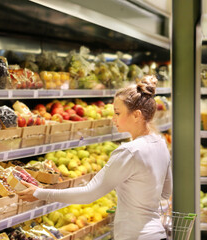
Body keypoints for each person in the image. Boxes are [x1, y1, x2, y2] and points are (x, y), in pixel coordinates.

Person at [18, 75, 173, 240]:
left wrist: (40, 193)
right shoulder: (160, 143)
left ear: (136, 115)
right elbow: (165, 193)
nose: (113, 118)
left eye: (117, 113)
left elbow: (89, 194)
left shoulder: (129, 152)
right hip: (157, 234)